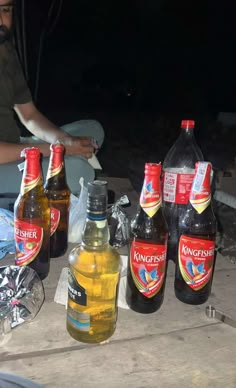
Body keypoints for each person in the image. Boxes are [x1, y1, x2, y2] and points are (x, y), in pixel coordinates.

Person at [0, 0, 104, 208]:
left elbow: (29, 115)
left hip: (15, 145)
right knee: (77, 172)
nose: (1, 19)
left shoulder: (5, 50)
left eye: (5, 10)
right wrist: (58, 149)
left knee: (92, 131)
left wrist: (67, 142)